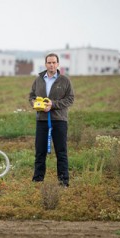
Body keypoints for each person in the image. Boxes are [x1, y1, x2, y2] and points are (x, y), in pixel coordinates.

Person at [28, 53, 74, 187]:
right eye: (49, 62)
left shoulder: (65, 81)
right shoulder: (38, 80)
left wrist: (53, 105)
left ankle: (63, 182)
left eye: (54, 62)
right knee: (40, 152)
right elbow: (31, 96)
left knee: (61, 152)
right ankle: (37, 180)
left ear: (58, 64)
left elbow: (70, 99)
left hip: (59, 120)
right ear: (45, 64)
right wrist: (36, 105)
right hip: (42, 120)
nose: (51, 65)